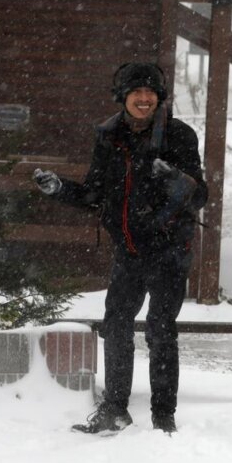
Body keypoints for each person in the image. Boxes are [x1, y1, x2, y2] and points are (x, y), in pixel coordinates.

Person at [33, 62, 207, 435]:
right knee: (116, 325)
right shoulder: (109, 135)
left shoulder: (179, 135)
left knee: (160, 329)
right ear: (123, 97)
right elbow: (95, 193)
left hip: (169, 249)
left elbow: (201, 194)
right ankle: (114, 409)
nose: (143, 99)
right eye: (135, 92)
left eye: (150, 93)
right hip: (129, 248)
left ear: (159, 97)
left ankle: (163, 417)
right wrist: (61, 189)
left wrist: (177, 180)